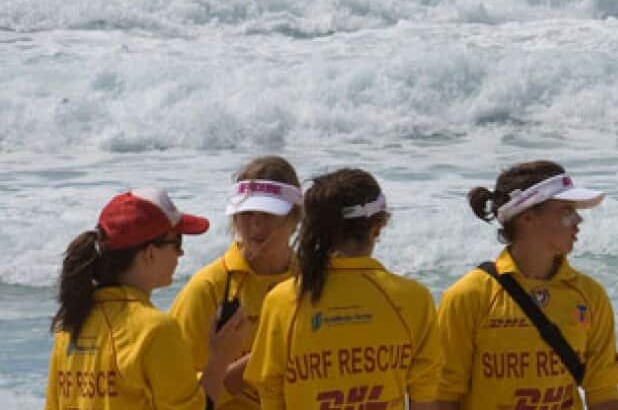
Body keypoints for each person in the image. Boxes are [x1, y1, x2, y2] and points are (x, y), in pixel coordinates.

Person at [428, 161, 618, 410]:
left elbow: (603, 391)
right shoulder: (469, 295)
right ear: (528, 216)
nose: (578, 220)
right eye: (566, 210)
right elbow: (443, 395)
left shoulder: (590, 295)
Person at [244, 168, 442, 409]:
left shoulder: (283, 300)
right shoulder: (413, 299)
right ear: (376, 228)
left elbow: (271, 394)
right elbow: (425, 392)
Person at [46, 188, 250, 410]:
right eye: (177, 243)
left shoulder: (68, 327)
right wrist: (220, 358)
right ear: (149, 253)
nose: (180, 254)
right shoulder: (155, 329)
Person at [170, 156, 303, 409]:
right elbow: (176, 397)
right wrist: (263, 359)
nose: (255, 224)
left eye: (268, 213)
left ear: (296, 217)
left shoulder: (313, 282)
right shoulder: (207, 289)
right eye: (246, 213)